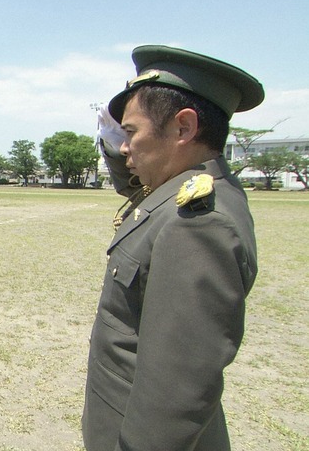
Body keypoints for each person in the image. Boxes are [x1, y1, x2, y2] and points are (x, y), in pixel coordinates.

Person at [81, 45, 264, 451]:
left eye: (131, 133)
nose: (125, 148)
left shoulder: (199, 222)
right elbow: (135, 188)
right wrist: (113, 143)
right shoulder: (180, 189)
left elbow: (175, 393)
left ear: (183, 128)